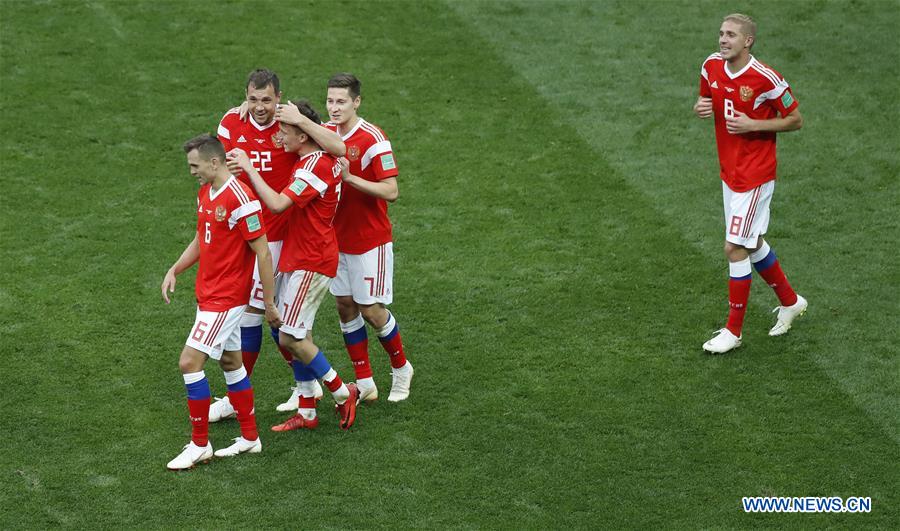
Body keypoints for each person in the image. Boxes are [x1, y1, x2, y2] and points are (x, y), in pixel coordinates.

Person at [210, 69, 345, 422]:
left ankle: (247, 396)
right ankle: (305, 394)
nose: (259, 107)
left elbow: (337, 148)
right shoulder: (230, 122)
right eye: (253, 99)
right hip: (248, 233)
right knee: (267, 320)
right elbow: (220, 172)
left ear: (279, 98)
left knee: (270, 320)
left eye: (267, 100)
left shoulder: (291, 126)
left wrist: (297, 119)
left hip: (284, 239)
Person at [161, 134, 280, 470]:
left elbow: (263, 253)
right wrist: (176, 268)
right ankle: (250, 437)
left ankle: (200, 444)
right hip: (209, 292)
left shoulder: (242, 200)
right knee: (230, 362)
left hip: (226, 298)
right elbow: (203, 236)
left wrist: (268, 304)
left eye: (195, 166)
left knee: (189, 363)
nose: (192, 172)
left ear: (215, 162)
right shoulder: (206, 192)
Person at [694, 14, 808, 354]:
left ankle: (733, 330)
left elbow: (795, 120)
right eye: (721, 33)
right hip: (730, 172)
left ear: (748, 41)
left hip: (756, 174)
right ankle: (791, 302)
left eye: (731, 35)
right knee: (752, 240)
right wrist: (702, 106)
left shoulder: (765, 78)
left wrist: (753, 124)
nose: (723, 40)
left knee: (734, 247)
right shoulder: (710, 66)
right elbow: (707, 98)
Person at [300, 72, 413, 402]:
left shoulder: (373, 139)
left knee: (370, 309)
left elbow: (391, 191)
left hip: (369, 240)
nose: (334, 108)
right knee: (345, 306)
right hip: (337, 239)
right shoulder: (326, 134)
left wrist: (350, 179)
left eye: (341, 102)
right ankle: (364, 381)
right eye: (330, 101)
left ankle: (401, 368)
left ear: (356, 102)